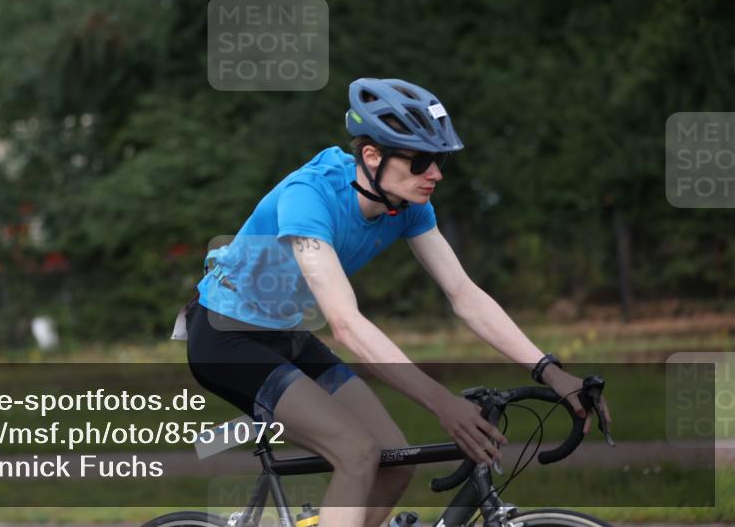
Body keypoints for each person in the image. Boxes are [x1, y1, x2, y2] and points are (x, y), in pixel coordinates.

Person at [178, 78, 610, 527]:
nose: (436, 174)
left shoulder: (406, 207)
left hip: (287, 335)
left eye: (439, 160)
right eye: (421, 160)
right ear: (371, 157)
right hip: (227, 340)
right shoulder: (309, 198)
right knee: (357, 453)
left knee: (395, 462)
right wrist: (442, 403)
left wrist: (551, 372)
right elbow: (345, 324)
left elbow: (465, 295)